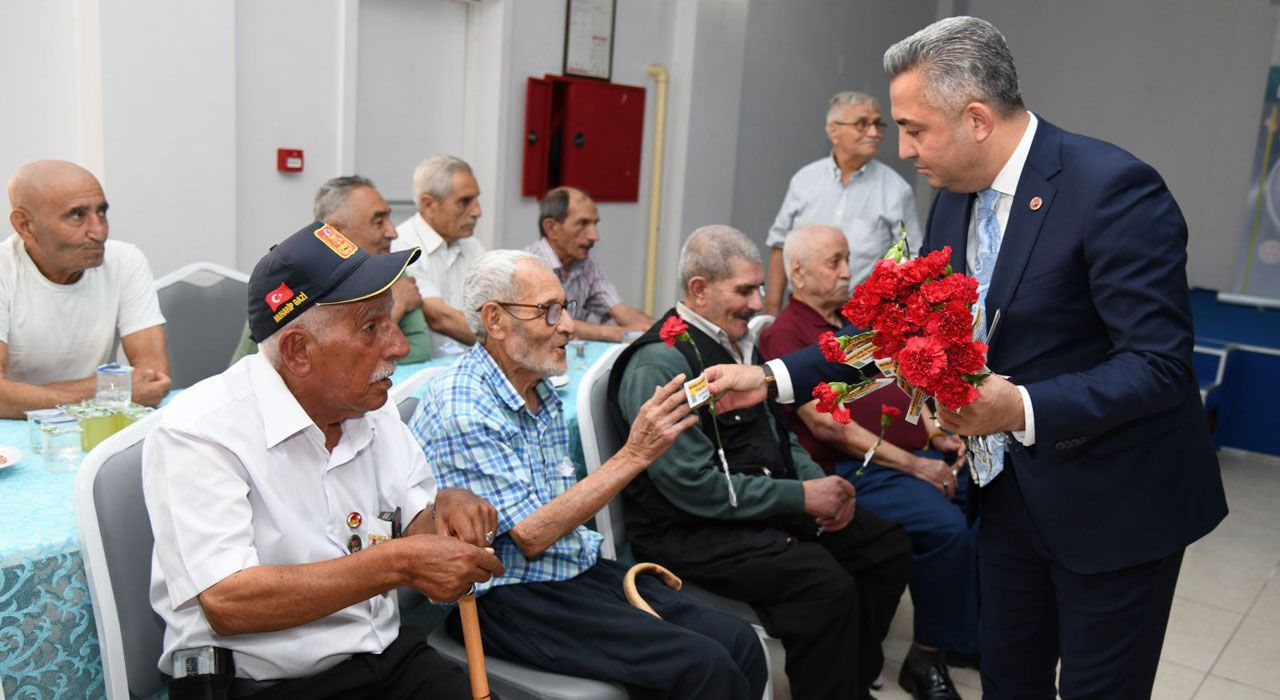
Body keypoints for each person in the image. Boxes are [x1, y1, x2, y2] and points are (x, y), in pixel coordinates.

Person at [708, 16, 1229, 700]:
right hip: (1010, 495)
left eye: (914, 129)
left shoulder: (1112, 190)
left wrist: (1018, 406)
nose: (903, 149)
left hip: (1114, 502)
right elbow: (890, 329)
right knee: (1009, 679)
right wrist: (771, 375)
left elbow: (1159, 366)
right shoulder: (953, 201)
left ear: (976, 119)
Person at [145, 221, 504, 698]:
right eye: (371, 328)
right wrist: (396, 564)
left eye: (391, 320)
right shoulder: (201, 430)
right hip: (261, 684)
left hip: (382, 659)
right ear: (298, 351)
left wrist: (446, 511)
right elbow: (228, 602)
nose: (398, 346)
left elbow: (414, 522)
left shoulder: (369, 407)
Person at [410, 249, 768, 698]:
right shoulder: (463, 406)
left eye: (566, 307)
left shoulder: (535, 388)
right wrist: (635, 453)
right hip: (508, 598)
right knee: (704, 667)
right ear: (495, 320)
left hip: (570, 569)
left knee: (740, 641)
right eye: (549, 311)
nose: (569, 326)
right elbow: (530, 535)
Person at [608, 225, 912, 700]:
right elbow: (692, 486)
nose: (758, 303)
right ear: (699, 290)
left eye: (759, 289)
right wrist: (802, 497)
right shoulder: (661, 364)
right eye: (744, 291)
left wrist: (817, 486)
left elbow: (778, 433)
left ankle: (852, 680)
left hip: (752, 505)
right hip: (691, 530)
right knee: (824, 583)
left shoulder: (738, 343)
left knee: (884, 546)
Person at [761, 224, 977, 700]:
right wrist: (917, 466)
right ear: (798, 272)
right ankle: (927, 656)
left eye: (847, 259)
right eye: (834, 262)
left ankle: (965, 636)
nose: (847, 271)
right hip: (854, 468)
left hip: (909, 454)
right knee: (946, 529)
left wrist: (936, 435)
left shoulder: (851, 321)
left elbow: (905, 380)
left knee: (987, 497)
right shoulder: (787, 333)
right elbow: (828, 426)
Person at [0, 159, 170, 419]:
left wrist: (27, 397)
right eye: (77, 215)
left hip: (95, 425)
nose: (99, 232)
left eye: (101, 212)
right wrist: (110, 391)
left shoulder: (125, 260)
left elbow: (154, 378)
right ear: (25, 225)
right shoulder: (5, 269)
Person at [229, 175, 433, 365]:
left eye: (389, 218)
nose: (393, 232)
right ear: (335, 231)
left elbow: (420, 348)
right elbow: (246, 368)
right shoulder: (291, 281)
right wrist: (398, 306)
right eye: (378, 222)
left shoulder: (390, 269)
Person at [763, 91, 922, 316]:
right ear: (833, 130)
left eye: (878, 124)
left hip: (860, 319)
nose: (874, 133)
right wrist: (772, 310)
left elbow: (911, 258)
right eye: (862, 124)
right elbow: (780, 244)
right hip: (802, 313)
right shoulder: (804, 180)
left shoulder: (896, 190)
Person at [525, 186, 652, 342]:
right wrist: (613, 333)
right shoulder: (529, 266)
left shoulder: (587, 266)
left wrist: (661, 329)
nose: (594, 236)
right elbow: (545, 322)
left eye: (594, 224)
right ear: (551, 228)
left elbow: (622, 313)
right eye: (583, 223)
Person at [393, 155, 484, 351]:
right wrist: (504, 345)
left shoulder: (473, 245)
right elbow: (440, 319)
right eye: (465, 201)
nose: (477, 212)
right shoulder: (401, 245)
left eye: (476, 199)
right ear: (428, 205)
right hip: (425, 366)